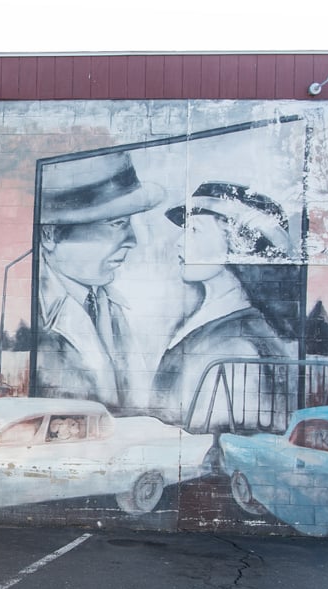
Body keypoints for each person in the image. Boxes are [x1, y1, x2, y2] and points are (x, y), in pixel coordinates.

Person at [151, 181, 295, 428]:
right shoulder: (212, 319)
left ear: (235, 242)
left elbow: (223, 444)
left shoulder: (239, 346)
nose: (179, 242)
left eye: (195, 230)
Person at [34, 151, 163, 410]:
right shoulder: (32, 313)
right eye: (117, 223)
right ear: (49, 235)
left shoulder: (108, 304)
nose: (132, 240)